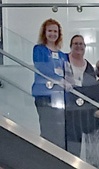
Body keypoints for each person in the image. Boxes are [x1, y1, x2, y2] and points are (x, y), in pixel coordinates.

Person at [31, 19, 68, 149]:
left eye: (55, 31)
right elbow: (42, 68)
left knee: (59, 131)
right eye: (50, 31)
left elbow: (67, 72)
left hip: (59, 97)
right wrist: (58, 79)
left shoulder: (63, 55)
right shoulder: (39, 49)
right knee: (47, 130)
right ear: (44, 33)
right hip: (44, 95)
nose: (53, 34)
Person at [64, 34, 97, 156]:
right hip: (65, 108)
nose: (78, 46)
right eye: (75, 44)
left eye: (81, 44)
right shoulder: (64, 61)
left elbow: (92, 90)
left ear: (85, 46)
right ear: (70, 46)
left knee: (76, 145)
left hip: (81, 113)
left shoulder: (89, 67)